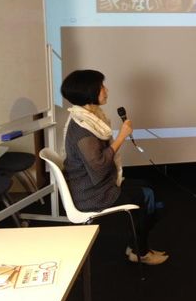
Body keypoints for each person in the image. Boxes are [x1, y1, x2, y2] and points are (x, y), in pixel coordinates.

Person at [61, 69, 168, 265]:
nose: (106, 90)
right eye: (102, 86)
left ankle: (136, 245)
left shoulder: (89, 118)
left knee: (150, 189)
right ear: (89, 91)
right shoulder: (83, 129)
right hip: (92, 194)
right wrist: (121, 137)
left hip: (98, 184)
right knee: (148, 196)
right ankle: (140, 252)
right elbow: (99, 166)